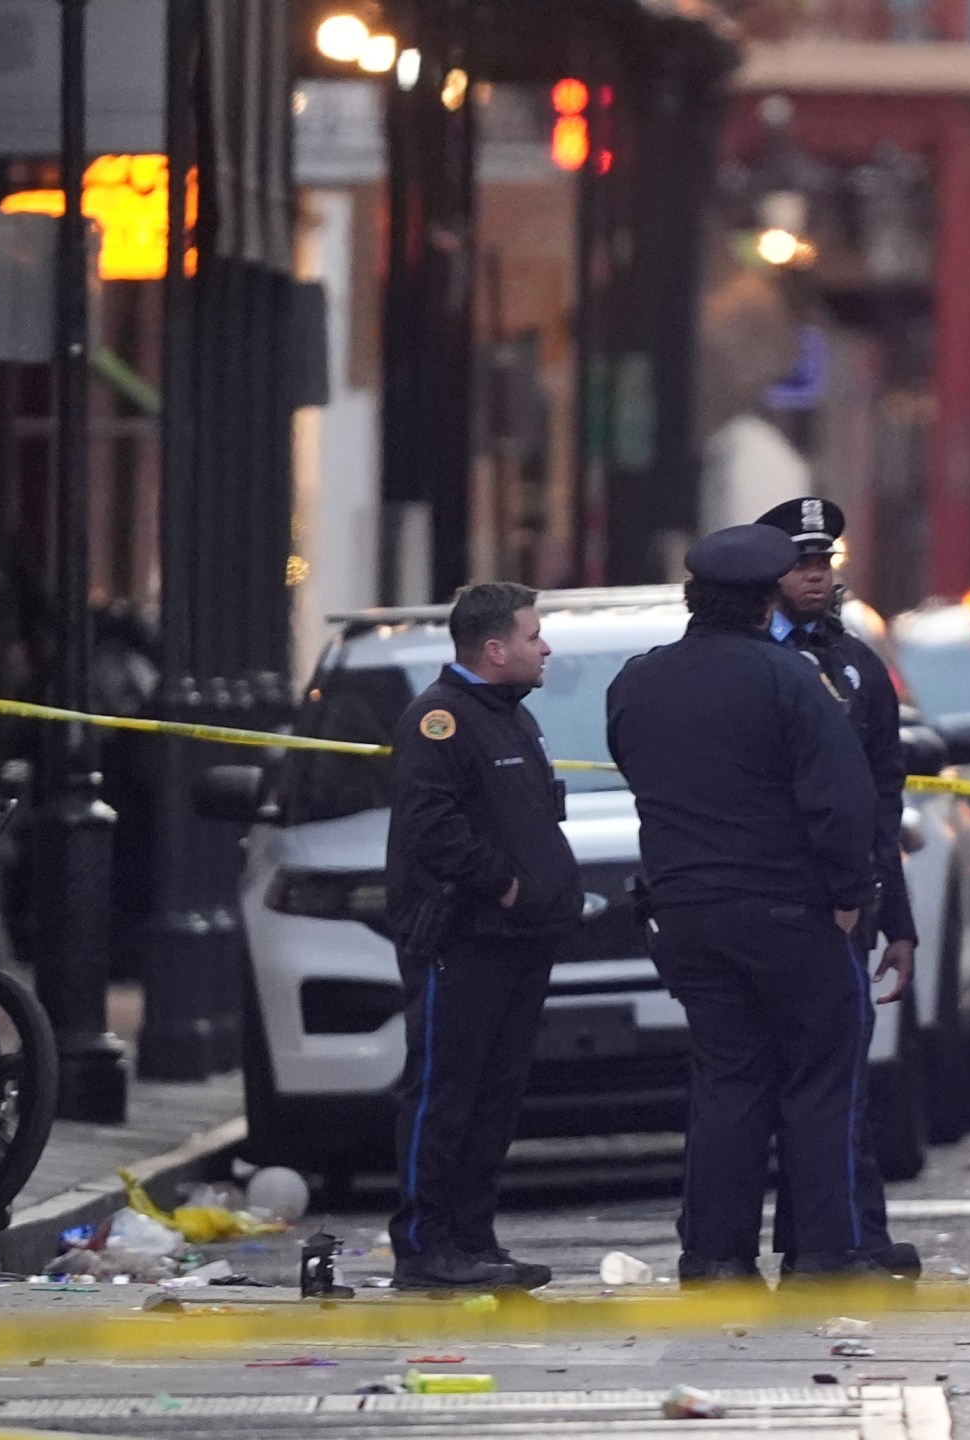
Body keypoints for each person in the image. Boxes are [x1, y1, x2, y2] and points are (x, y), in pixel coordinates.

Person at [604, 524, 884, 1285]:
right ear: (767, 603)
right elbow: (841, 800)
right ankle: (824, 1254)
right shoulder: (792, 680)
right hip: (790, 912)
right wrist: (852, 896)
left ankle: (716, 1257)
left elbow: (636, 767)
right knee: (820, 1084)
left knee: (728, 1083)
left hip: (687, 913)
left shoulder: (638, 680)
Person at [383, 582, 580, 1292]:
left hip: (519, 939)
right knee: (444, 1091)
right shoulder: (440, 720)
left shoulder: (510, 718)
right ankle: (424, 1243)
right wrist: (502, 882)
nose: (544, 647)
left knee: (496, 1095)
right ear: (494, 649)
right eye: (532, 636)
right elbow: (431, 826)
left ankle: (472, 1238)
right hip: (463, 938)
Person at [754, 496, 918, 1279]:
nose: (814, 577)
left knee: (842, 1084)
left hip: (842, 906)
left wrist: (900, 919)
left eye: (823, 564)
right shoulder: (745, 654)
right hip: (766, 900)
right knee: (764, 1088)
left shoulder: (857, 665)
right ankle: (784, 1245)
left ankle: (854, 1238)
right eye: (799, 564)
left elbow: (882, 800)